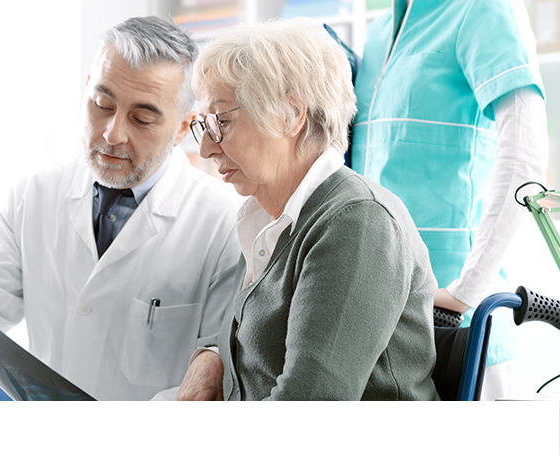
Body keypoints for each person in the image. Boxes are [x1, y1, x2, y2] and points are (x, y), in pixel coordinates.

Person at [0, 16, 242, 401]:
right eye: (102, 104)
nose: (112, 134)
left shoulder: (224, 227)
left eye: (142, 118)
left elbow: (216, 384)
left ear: (182, 128)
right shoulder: (34, 196)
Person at [176, 18, 440, 401]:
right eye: (205, 125)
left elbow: (310, 406)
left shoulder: (358, 222)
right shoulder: (265, 219)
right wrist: (214, 357)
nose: (206, 149)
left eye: (221, 122)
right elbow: (261, 357)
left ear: (290, 114)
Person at [350, 0, 549, 400]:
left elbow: (524, 160)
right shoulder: (377, 31)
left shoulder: (483, 9)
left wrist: (465, 293)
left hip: (460, 328)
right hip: (379, 321)